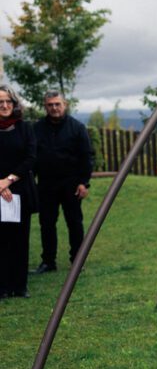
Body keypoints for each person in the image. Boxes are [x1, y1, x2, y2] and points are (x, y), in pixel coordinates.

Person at [33, 91, 94, 273]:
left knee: (74, 223)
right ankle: (48, 261)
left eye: (57, 104)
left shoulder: (77, 128)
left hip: (72, 184)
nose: (54, 108)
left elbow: (87, 157)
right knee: (47, 223)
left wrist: (84, 183)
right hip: (46, 184)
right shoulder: (36, 129)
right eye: (50, 105)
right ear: (45, 107)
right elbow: (32, 156)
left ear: (65, 105)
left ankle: (77, 261)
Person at [0, 85, 37, 299]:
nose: (4, 105)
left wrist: (8, 180)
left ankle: (19, 286)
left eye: (8, 102)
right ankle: (2, 287)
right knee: (1, 240)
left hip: (20, 190)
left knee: (19, 239)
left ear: (14, 104)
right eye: (0, 102)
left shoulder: (25, 127)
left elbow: (31, 157)